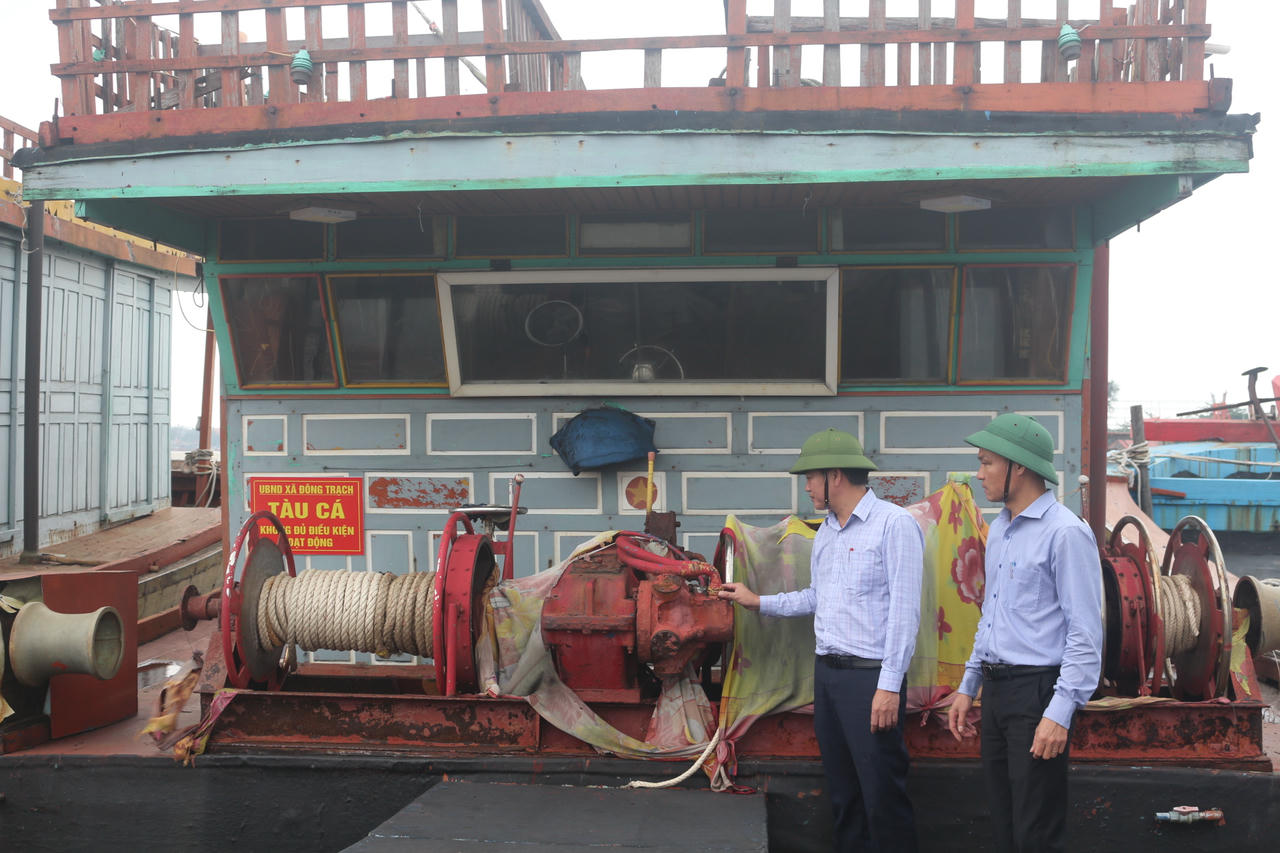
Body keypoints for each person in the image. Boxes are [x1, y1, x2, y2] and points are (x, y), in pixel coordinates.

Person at [717, 428, 923, 852]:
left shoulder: (894, 525)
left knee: (882, 794)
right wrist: (758, 602)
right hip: (828, 676)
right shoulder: (828, 531)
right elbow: (817, 596)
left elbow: (905, 613)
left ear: (834, 476)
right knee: (844, 793)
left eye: (810, 477)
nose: (807, 486)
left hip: (870, 680)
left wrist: (888, 687)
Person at [945, 413, 1103, 853]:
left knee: (1036, 830)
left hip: (1037, 694)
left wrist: (1059, 712)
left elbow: (1085, 634)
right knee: (1004, 823)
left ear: (1020, 467)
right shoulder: (1000, 529)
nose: (979, 474)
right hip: (996, 693)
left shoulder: (1066, 533)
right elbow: (991, 615)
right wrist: (968, 685)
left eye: (987, 463)